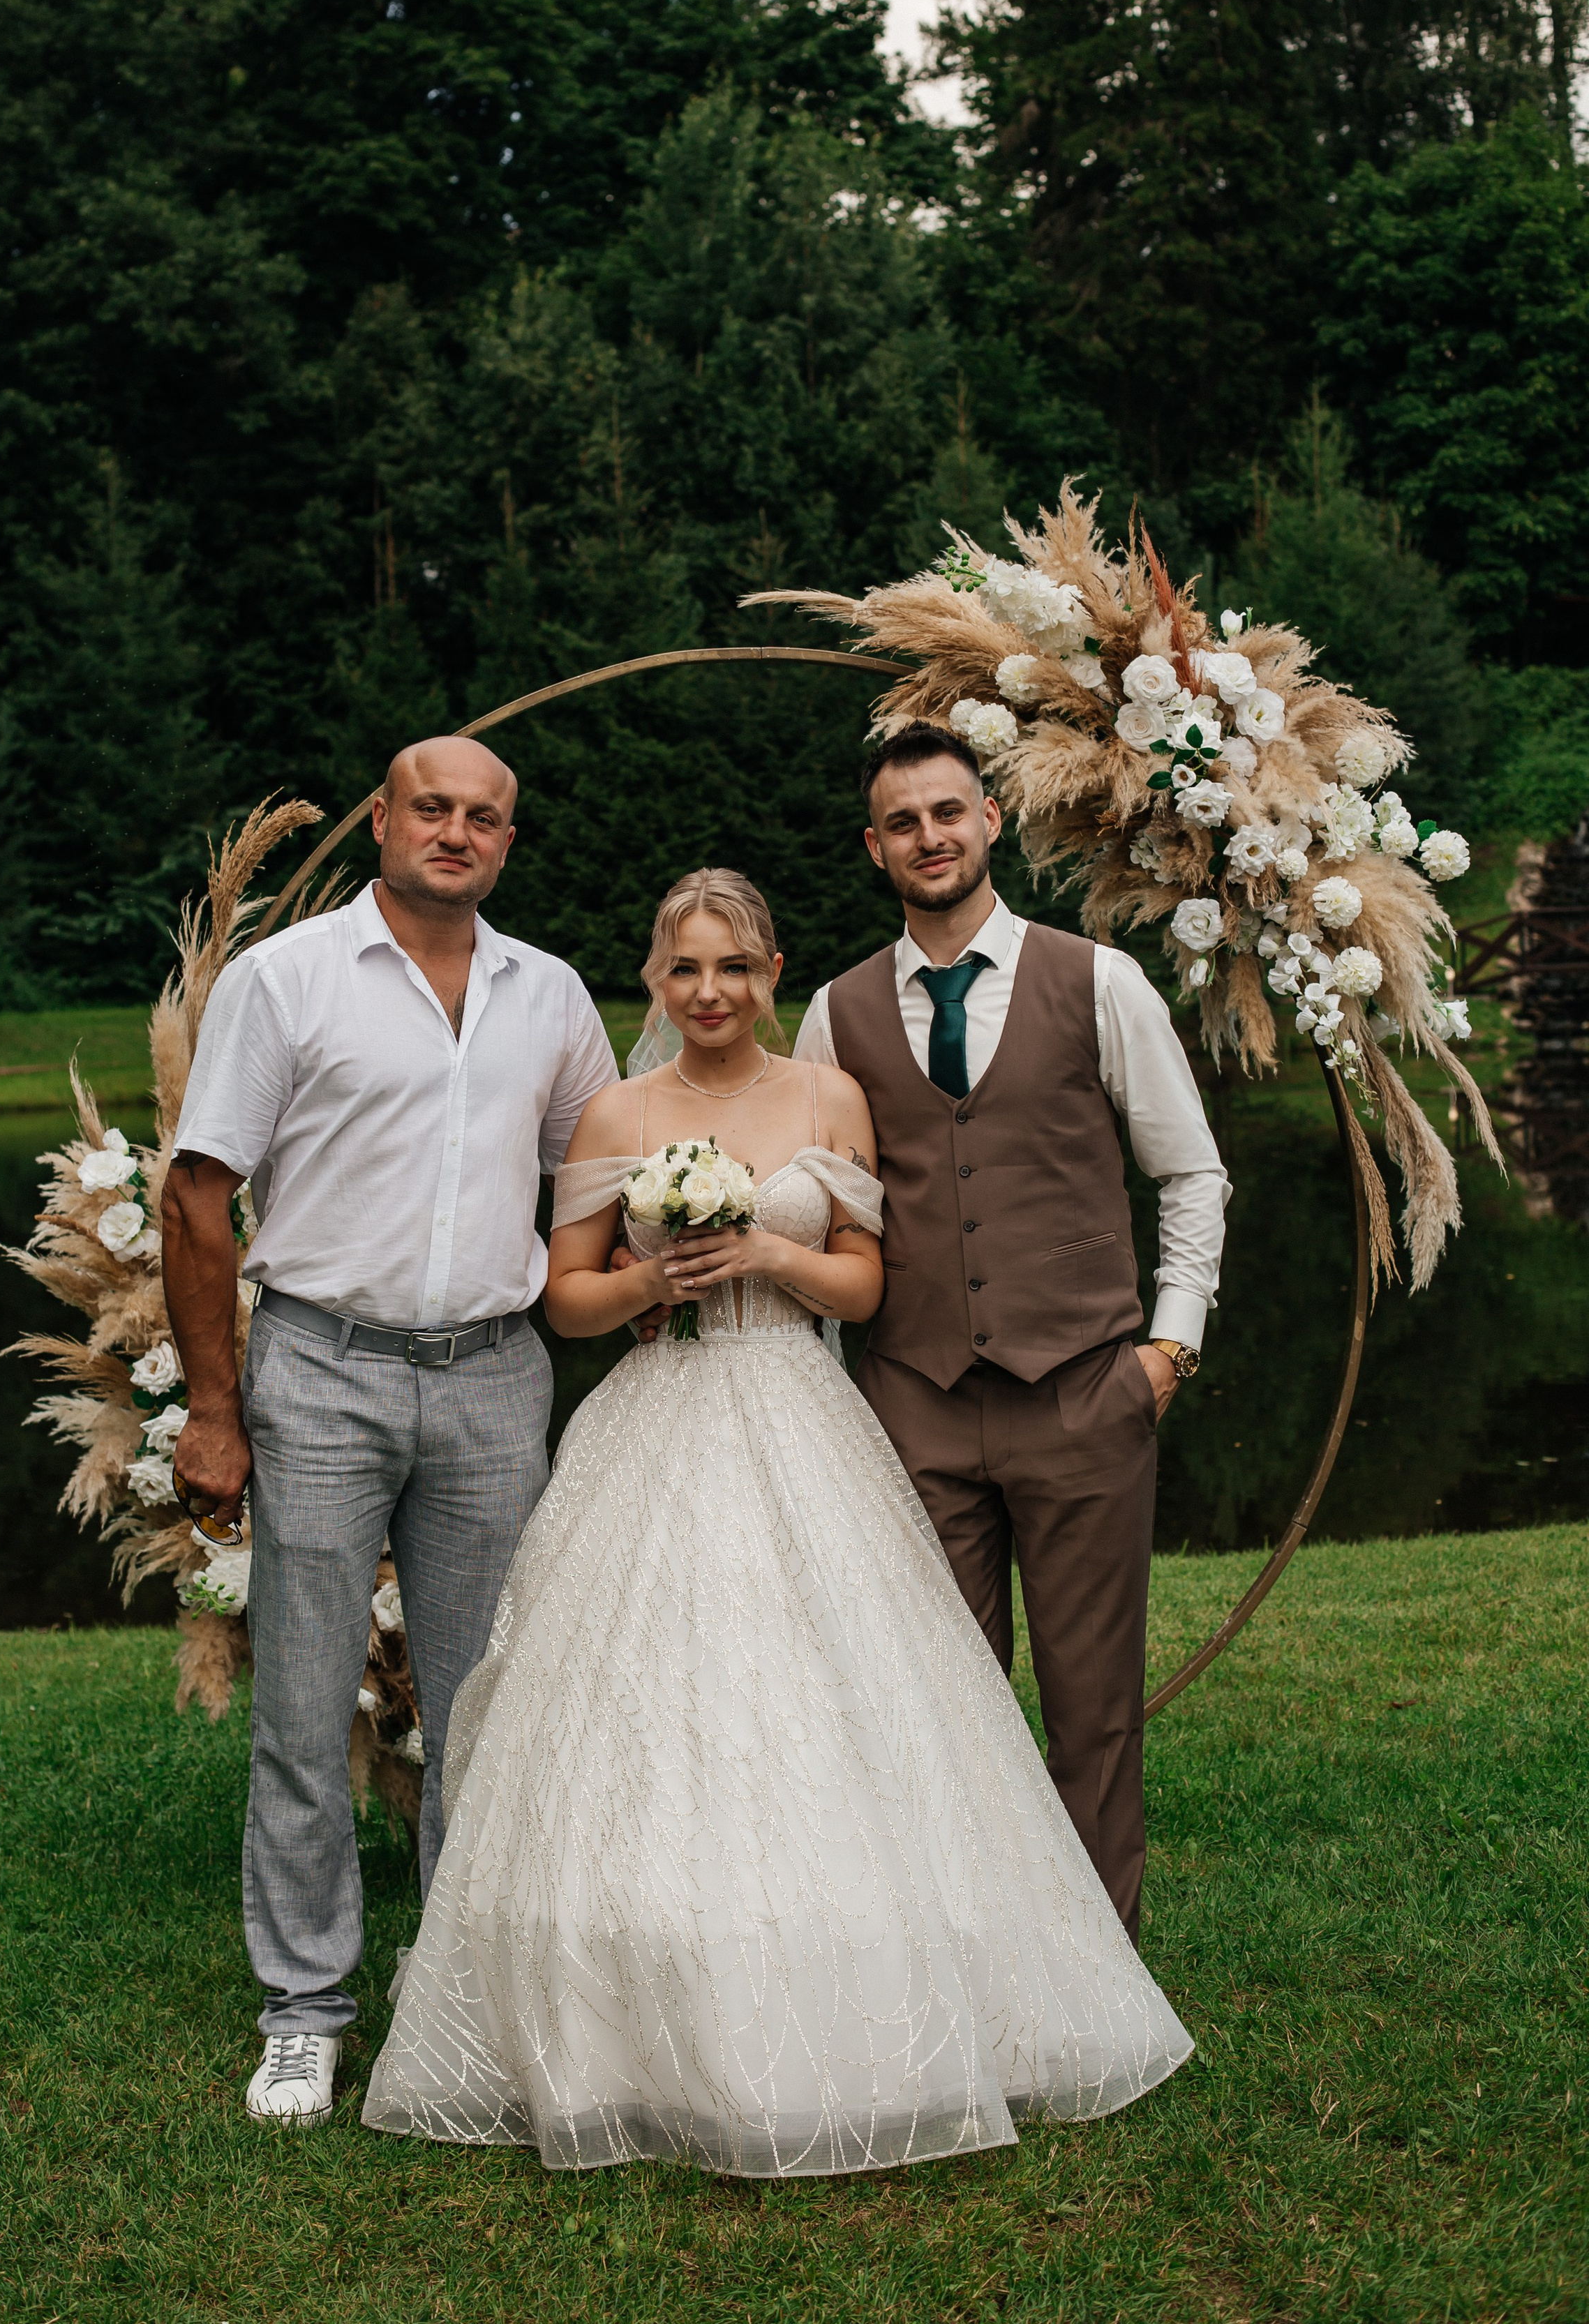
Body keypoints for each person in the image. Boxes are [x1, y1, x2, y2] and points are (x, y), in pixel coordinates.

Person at [361, 867, 1192, 2175]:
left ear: (771, 976)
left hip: (803, 1408)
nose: (709, 993)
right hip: (659, 1414)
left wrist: (768, 1257)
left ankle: (908, 1964)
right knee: (643, 1704)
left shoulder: (827, 1094)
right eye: (684, 968)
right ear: (654, 979)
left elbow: (865, 1287)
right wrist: (647, 1273)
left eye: (734, 969)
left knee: (846, 1694)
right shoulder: (614, 1113)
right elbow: (564, 1302)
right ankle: (628, 2003)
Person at [163, 737, 617, 2126]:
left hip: (493, 1377)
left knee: (482, 1706)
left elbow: (592, 1180)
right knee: (304, 1707)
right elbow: (197, 1196)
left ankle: (462, 1982)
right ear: (383, 819)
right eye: (434, 807)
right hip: (322, 1369)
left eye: (485, 818)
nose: (458, 832)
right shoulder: (285, 980)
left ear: (506, 844)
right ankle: (305, 2008)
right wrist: (217, 1407)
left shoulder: (548, 996)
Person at [793, 722, 1230, 1942]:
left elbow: (1190, 1175)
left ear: (991, 820)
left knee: (1094, 1708)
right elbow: (832, 1220)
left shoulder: (1098, 982)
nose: (929, 837)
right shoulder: (835, 1015)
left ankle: (1104, 1976)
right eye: (902, 823)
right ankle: (975, 1965)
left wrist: (1169, 1350)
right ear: (873, 849)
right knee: (942, 1707)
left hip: (1086, 1392)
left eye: (948, 812)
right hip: (914, 1403)